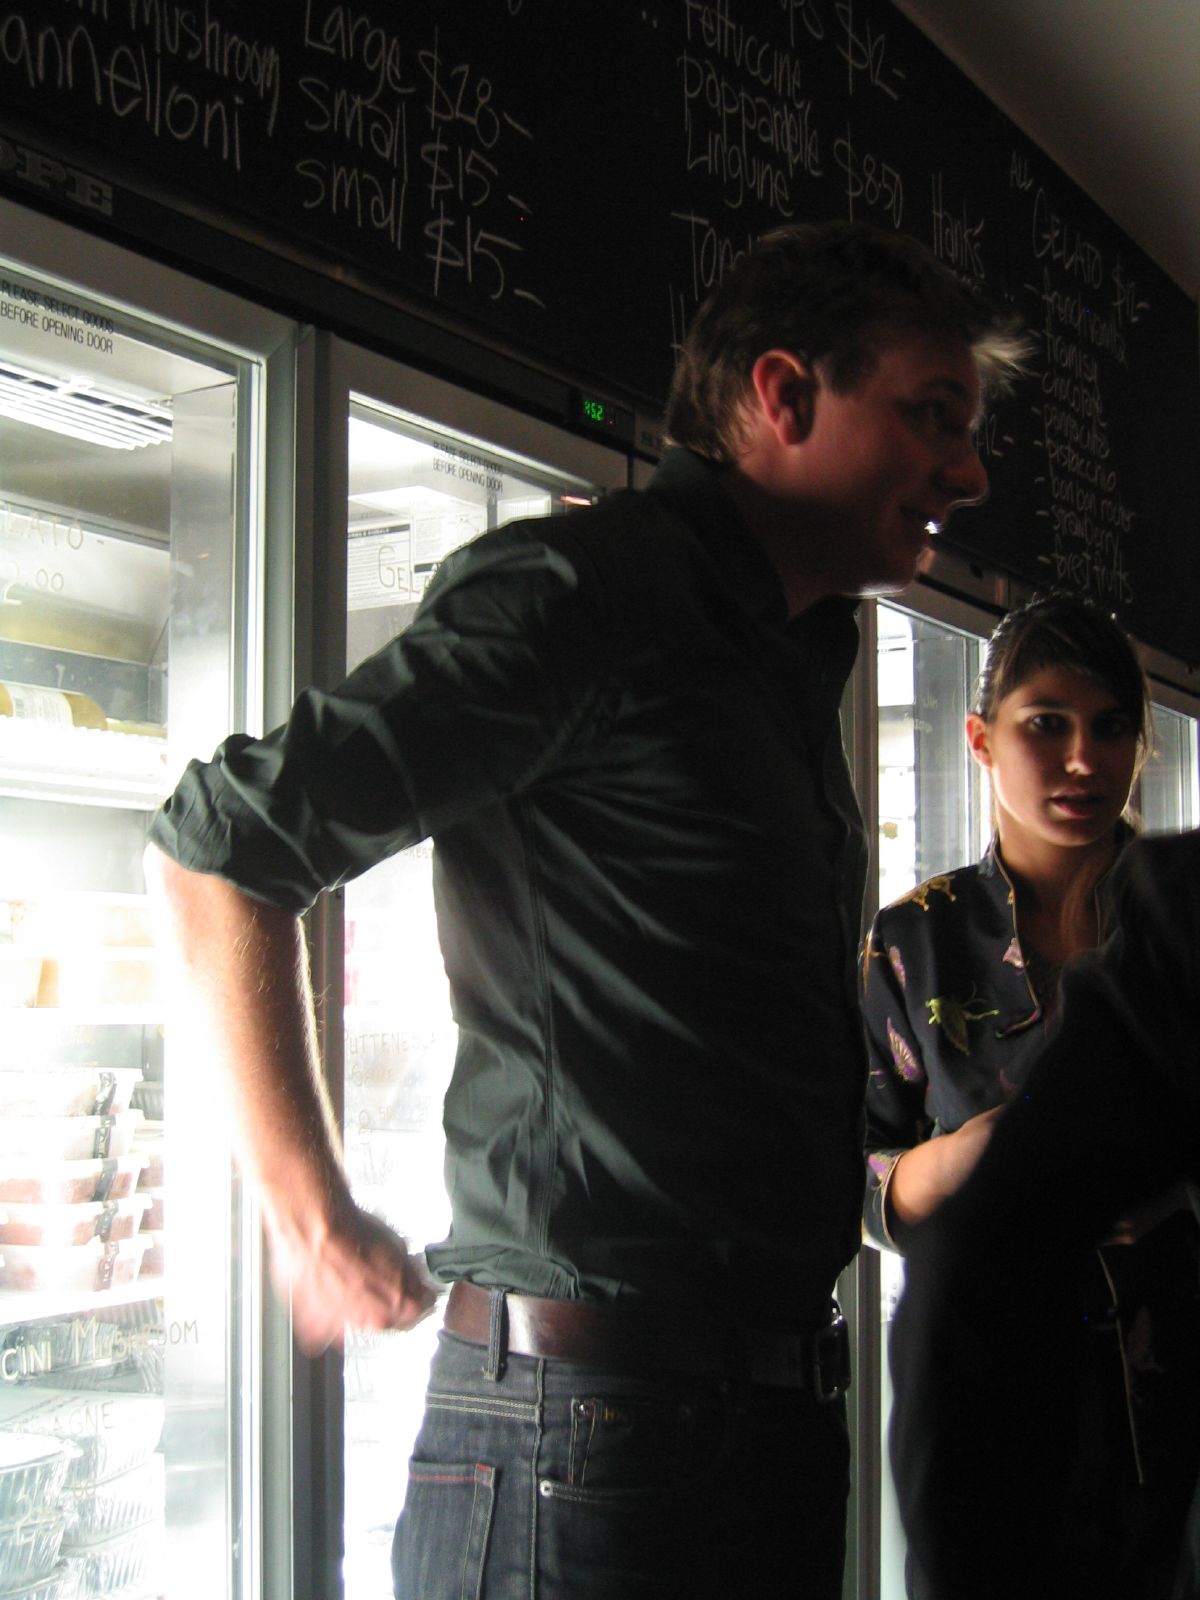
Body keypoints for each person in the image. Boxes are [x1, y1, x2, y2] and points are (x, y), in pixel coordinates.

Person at [143, 220, 1024, 1599]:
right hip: (588, 1431)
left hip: (756, 1415)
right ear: (782, 397)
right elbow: (218, 850)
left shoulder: (794, 650)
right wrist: (310, 1218)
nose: (965, 473)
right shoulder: (589, 591)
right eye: (931, 418)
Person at [861, 593, 1200, 1598]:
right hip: (988, 1362)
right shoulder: (914, 940)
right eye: (1045, 724)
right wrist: (965, 1164)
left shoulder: (1177, 932)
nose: (1083, 759)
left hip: (1176, 1357)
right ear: (979, 738)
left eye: (1111, 727)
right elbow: (856, 1169)